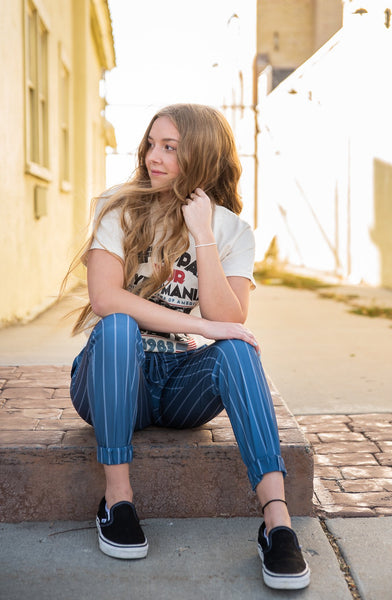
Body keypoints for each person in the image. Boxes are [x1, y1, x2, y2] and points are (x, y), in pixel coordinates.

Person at [67, 103, 310, 590]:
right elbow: (105, 297)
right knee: (117, 324)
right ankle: (117, 503)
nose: (153, 157)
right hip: (115, 378)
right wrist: (202, 323)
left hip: (181, 385)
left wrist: (202, 234)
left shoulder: (232, 231)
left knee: (240, 349)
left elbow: (230, 318)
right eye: (152, 144)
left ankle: (277, 524)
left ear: (200, 155)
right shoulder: (118, 206)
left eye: (170, 148)